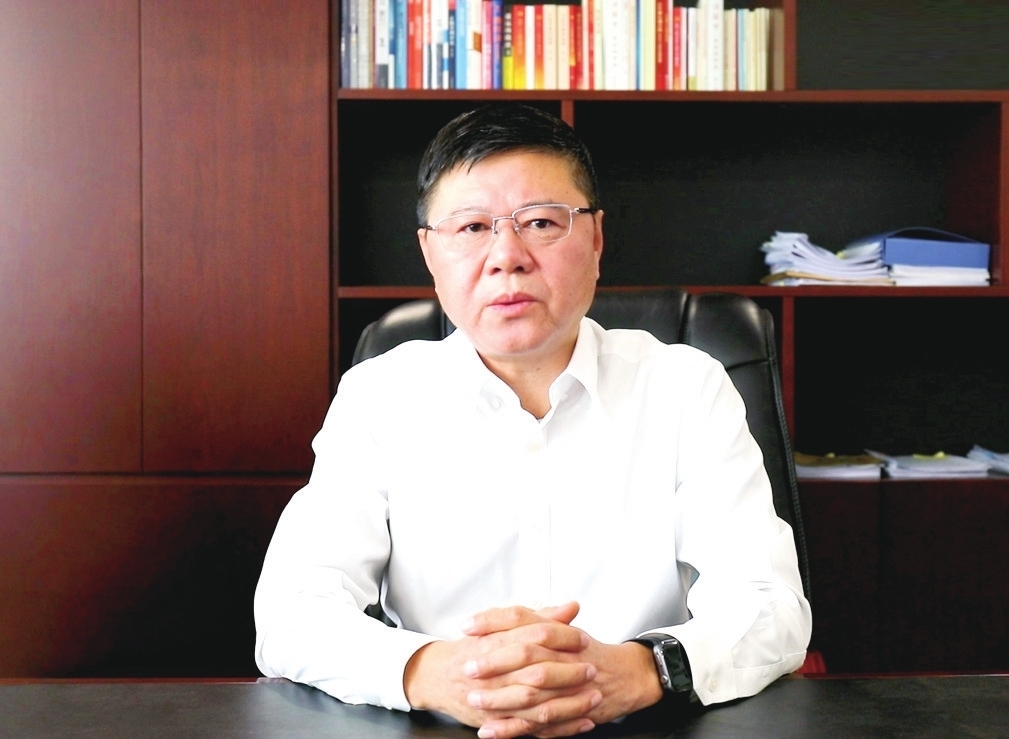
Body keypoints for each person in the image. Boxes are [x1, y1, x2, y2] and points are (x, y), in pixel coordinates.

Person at [254, 104, 811, 739]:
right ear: (429, 252)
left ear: (596, 239)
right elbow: (291, 612)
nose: (506, 257)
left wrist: (641, 669)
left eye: (542, 222)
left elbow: (770, 604)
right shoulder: (379, 397)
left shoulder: (686, 386)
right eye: (472, 227)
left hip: (642, 725)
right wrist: (433, 672)